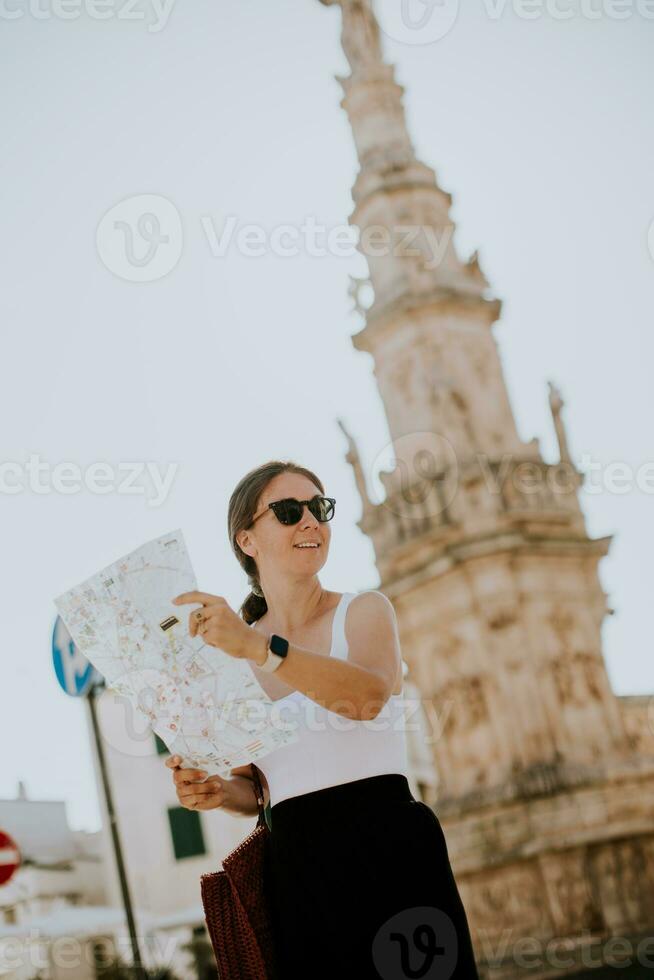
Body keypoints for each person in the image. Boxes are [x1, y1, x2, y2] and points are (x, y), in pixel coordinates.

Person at [166, 459, 480, 979]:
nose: (311, 521)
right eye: (289, 512)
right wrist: (217, 791)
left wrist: (261, 648)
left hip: (391, 849)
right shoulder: (233, 658)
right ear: (248, 540)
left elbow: (368, 698)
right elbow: (257, 791)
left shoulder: (364, 610)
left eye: (320, 508)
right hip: (297, 871)